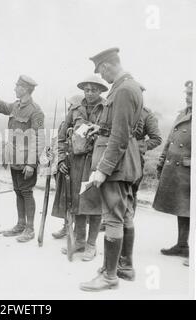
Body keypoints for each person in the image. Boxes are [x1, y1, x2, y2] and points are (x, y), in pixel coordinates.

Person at [79, 48, 143, 291]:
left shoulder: (124, 90)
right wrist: (100, 128)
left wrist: (103, 170)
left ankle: (109, 275)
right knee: (124, 214)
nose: (101, 77)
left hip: (116, 166)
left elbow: (120, 136)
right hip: (125, 162)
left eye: (101, 72)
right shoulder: (128, 86)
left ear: (106, 66)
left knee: (113, 218)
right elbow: (116, 127)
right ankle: (124, 266)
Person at [53, 76, 108, 261]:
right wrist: (61, 159)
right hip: (75, 163)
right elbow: (61, 136)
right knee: (77, 203)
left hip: (96, 163)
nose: (90, 93)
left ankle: (91, 245)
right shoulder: (75, 110)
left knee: (93, 204)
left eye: (94, 90)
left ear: (101, 91)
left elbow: (114, 136)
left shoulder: (108, 109)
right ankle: (79, 240)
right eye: (87, 89)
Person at [0, 75, 45, 242]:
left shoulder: (36, 111)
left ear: (25, 88)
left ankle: (30, 228)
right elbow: (0, 106)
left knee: (26, 192)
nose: (14, 88)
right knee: (18, 191)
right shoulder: (15, 106)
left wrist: (32, 164)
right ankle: (20, 224)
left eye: (17, 86)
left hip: (26, 161)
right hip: (14, 159)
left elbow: (38, 139)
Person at [153, 80, 192, 267]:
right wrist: (161, 162)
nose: (187, 96)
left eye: (191, 94)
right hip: (179, 171)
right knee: (182, 209)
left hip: (189, 170)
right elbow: (169, 141)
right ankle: (182, 245)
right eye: (187, 93)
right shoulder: (183, 114)